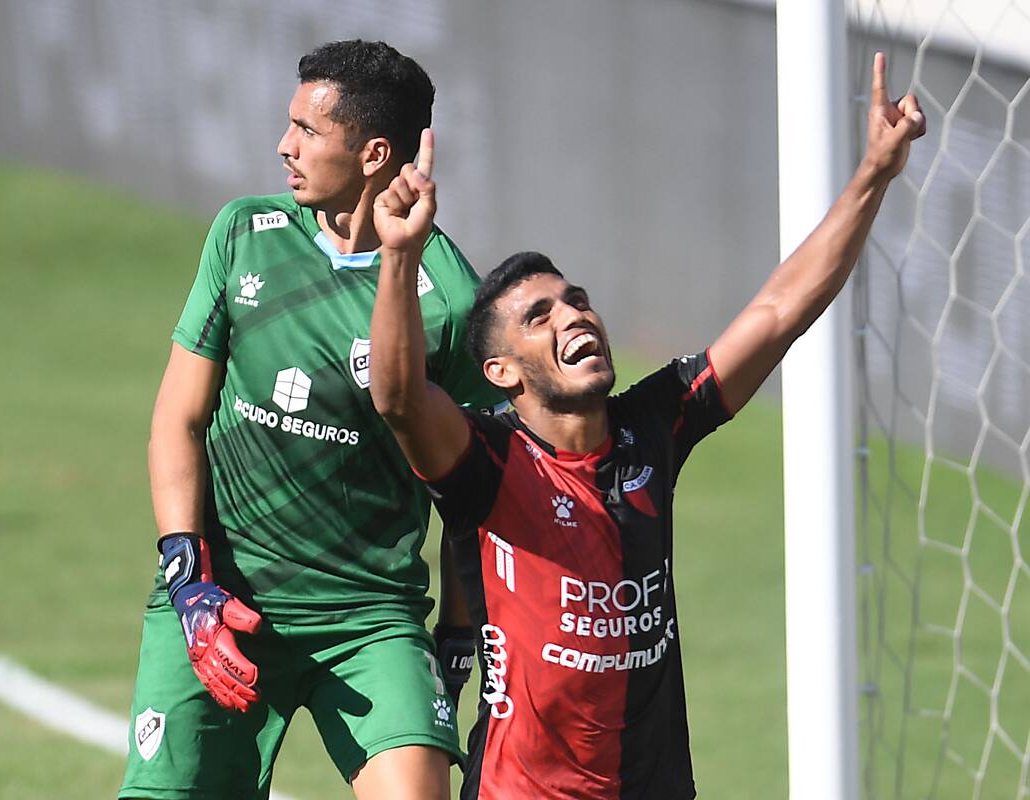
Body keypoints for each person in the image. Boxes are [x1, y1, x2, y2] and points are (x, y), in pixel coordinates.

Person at [368, 53, 925, 799]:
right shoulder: (488, 461)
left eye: (577, 300)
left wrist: (874, 175)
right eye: (541, 316)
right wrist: (400, 255)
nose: (574, 316)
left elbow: (779, 312)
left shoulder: (653, 424)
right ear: (503, 371)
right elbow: (401, 398)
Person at [119, 40, 503, 800]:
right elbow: (178, 418)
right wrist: (188, 579)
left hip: (368, 617)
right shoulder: (241, 234)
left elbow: (474, 495)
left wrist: (461, 637)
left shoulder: (454, 302)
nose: (283, 146)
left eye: (307, 130)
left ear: (373, 154)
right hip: (223, 598)